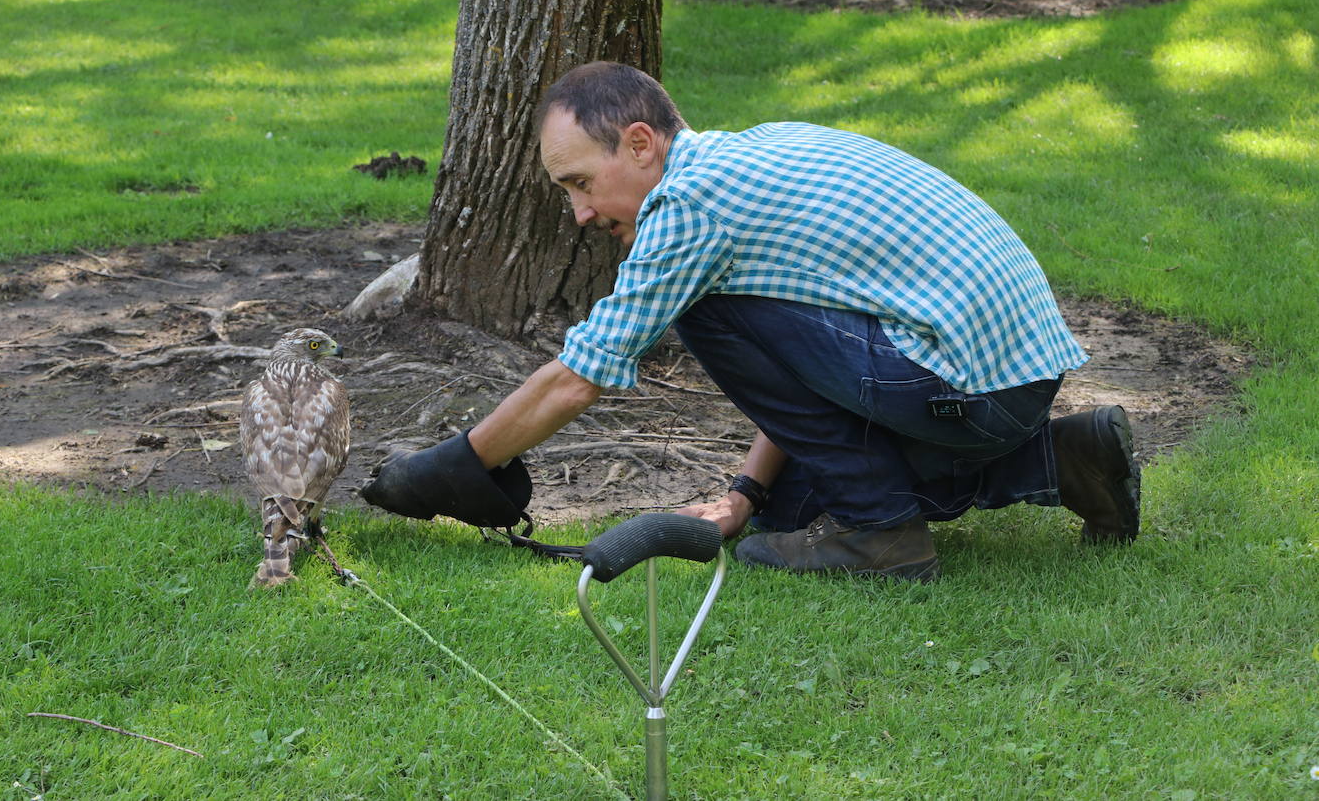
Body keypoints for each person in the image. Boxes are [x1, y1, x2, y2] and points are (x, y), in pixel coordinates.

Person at [360, 62, 1141, 582]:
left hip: (964, 383)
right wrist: (745, 492)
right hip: (1006, 376)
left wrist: (451, 468)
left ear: (640, 144)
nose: (580, 212)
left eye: (581, 183)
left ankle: (883, 536)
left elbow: (578, 378)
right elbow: (811, 351)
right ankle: (1066, 458)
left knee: (705, 315)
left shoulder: (688, 207)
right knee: (794, 505)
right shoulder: (751, 156)